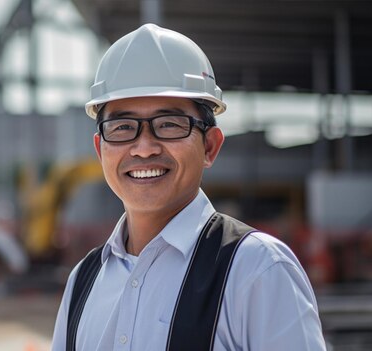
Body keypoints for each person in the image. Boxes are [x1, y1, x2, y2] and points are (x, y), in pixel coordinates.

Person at [51, 24, 326, 351]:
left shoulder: (256, 270)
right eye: (123, 127)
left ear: (210, 146)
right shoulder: (84, 280)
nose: (144, 148)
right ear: (100, 150)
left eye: (168, 125)